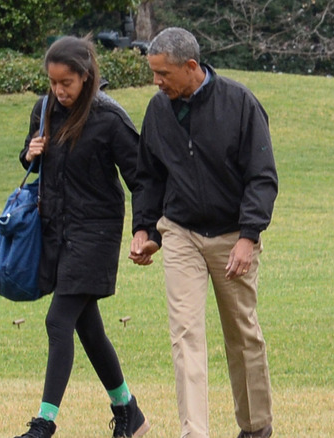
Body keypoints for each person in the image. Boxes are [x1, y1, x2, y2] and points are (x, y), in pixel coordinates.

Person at [129, 27, 278, 438]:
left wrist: (249, 235)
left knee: (242, 333)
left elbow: (262, 177)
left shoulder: (239, 103)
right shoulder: (159, 110)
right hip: (181, 232)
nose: (156, 82)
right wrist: (145, 229)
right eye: (153, 73)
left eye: (163, 74)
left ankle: (255, 426)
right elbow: (149, 177)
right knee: (185, 334)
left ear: (191, 67)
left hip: (234, 235)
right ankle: (195, 432)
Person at [13, 35, 150, 438]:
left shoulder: (109, 118)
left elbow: (141, 178)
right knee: (87, 328)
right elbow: (32, 159)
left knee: (58, 321)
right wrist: (30, 154)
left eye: (66, 83)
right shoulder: (44, 109)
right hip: (55, 230)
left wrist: (144, 228)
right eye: (53, 83)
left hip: (97, 233)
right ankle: (129, 412)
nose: (59, 91)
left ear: (86, 77)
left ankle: (44, 422)